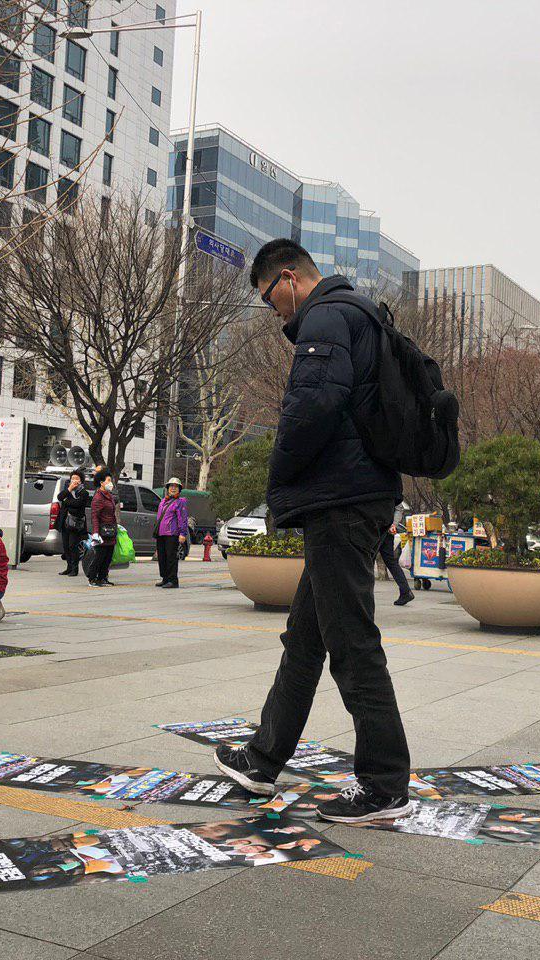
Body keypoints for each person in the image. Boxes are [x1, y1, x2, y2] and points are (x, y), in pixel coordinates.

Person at [213, 238, 412, 825]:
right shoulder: (363, 314)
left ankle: (383, 785)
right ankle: (262, 759)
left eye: (271, 300)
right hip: (358, 494)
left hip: (341, 501)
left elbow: (312, 408)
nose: (276, 314)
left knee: (352, 644)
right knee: (306, 639)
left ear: (289, 278)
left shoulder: (325, 316)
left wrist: (279, 480)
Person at [154, 477, 188, 588]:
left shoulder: (180, 502)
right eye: (171, 486)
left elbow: (182, 519)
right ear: (168, 488)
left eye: (176, 486)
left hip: (172, 534)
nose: (173, 488)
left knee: (171, 558)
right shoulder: (163, 501)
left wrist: (183, 533)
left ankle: (173, 580)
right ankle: (165, 578)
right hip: (161, 534)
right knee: (162, 557)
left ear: (179, 489)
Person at [56, 470, 90, 577]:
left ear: (81, 481)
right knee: (66, 546)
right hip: (65, 522)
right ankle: (69, 567)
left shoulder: (84, 492)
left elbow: (78, 504)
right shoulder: (68, 490)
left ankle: (74, 569)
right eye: (73, 478)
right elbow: (60, 497)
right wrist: (69, 489)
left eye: (77, 478)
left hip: (75, 524)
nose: (74, 480)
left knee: (73, 546)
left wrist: (67, 502)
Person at [377, 506, 414, 606]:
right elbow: (399, 508)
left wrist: (393, 524)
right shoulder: (393, 492)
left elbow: (399, 508)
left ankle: (360, 594)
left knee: (366, 559)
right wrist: (394, 524)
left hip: (377, 529)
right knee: (391, 562)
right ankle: (405, 591)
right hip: (386, 529)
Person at [87, 469, 117, 587]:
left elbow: (112, 513)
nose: (111, 483)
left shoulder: (109, 496)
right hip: (102, 531)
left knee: (108, 556)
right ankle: (92, 578)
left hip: (110, 530)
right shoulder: (98, 497)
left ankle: (103, 578)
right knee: (100, 556)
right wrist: (95, 533)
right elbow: (95, 516)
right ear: (101, 482)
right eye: (109, 480)